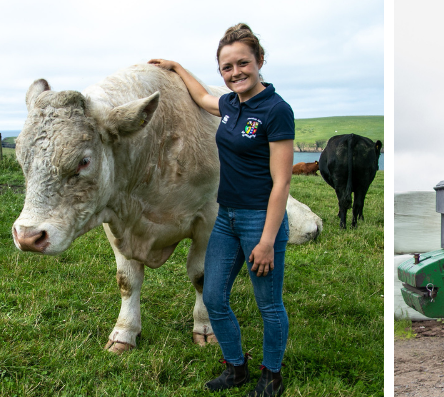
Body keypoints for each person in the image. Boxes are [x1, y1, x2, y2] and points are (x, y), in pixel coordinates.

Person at [150, 23, 293, 397]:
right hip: (226, 218)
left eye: (243, 63)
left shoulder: (276, 110)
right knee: (213, 297)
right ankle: (236, 367)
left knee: (269, 305)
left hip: (262, 220)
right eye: (226, 68)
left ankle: (272, 376)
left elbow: (282, 183)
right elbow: (201, 98)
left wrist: (265, 240)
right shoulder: (230, 104)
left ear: (259, 61)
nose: (236, 73)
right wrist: (178, 68)